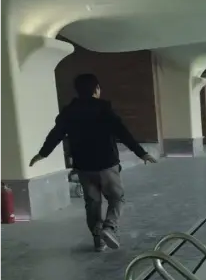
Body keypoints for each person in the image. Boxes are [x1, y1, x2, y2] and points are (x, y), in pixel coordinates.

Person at [30, 73, 156, 252]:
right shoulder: (104, 109)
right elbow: (122, 132)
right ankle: (109, 227)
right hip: (107, 164)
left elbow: (56, 134)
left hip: (83, 167)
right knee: (116, 198)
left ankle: (98, 239)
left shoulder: (69, 111)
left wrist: (42, 154)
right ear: (96, 89)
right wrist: (141, 153)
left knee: (93, 203)